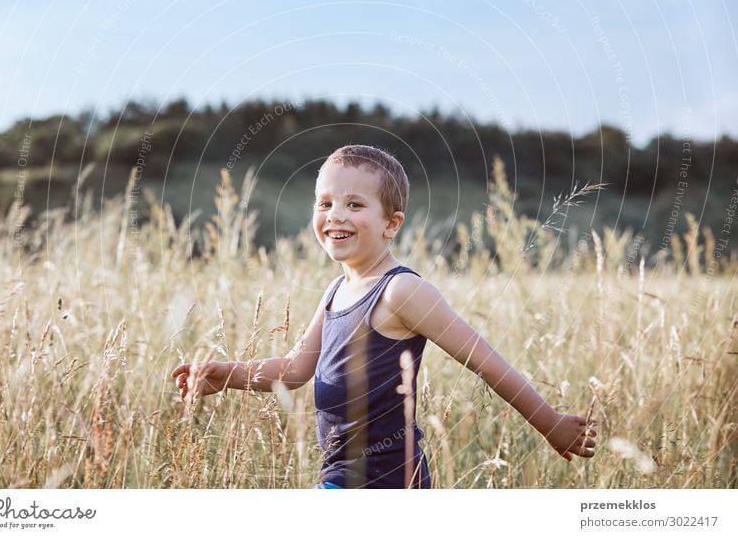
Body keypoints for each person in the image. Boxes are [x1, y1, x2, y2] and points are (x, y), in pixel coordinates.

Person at [171, 144, 598, 489]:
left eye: (354, 204)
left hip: (386, 481)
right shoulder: (336, 291)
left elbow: (483, 359)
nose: (336, 214)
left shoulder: (400, 290)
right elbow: (295, 369)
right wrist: (228, 375)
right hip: (341, 474)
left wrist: (550, 423)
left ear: (391, 224)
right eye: (326, 203)